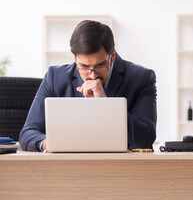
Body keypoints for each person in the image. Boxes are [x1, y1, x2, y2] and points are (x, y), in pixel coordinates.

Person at [19, 20, 157, 151]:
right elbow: (27, 133)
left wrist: (106, 105)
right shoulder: (55, 77)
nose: (92, 75)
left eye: (100, 65)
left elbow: (146, 138)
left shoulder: (141, 78)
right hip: (68, 166)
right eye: (84, 66)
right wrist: (51, 143)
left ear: (112, 55)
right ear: (75, 58)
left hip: (123, 168)